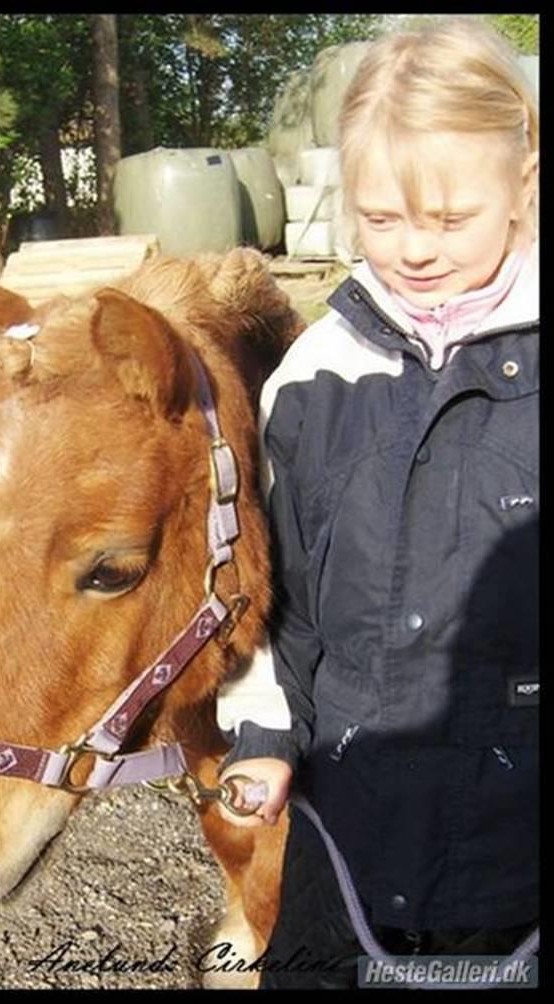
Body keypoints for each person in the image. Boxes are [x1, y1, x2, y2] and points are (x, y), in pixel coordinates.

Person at [216, 17, 539, 990]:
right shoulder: (312, 378)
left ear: (524, 187)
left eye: (447, 220)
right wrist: (264, 736)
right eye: (380, 219)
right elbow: (274, 596)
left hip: (516, 835)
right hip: (345, 818)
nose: (412, 251)